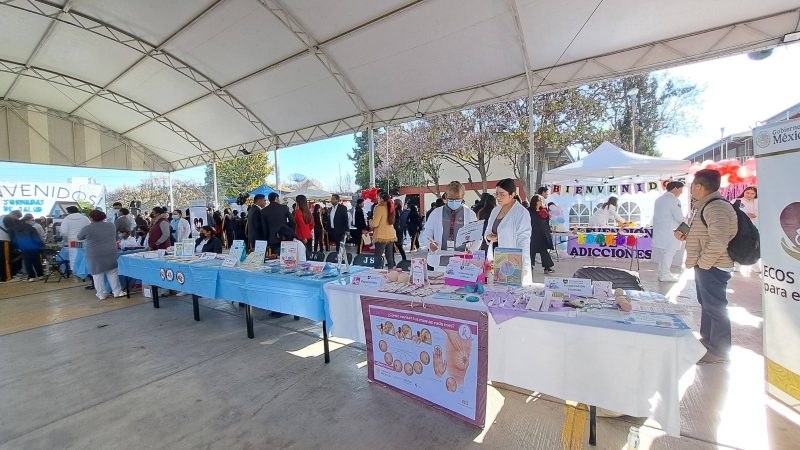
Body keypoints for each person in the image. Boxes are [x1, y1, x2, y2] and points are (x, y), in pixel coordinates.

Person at [675, 169, 737, 364]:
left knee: (716, 308)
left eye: (692, 185)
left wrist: (704, 263)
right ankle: (708, 340)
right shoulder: (705, 205)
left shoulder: (716, 207)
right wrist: (687, 235)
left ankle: (719, 351)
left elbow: (719, 240)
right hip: (707, 264)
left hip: (713, 265)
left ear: (699, 187)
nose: (691, 189)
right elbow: (705, 233)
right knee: (708, 305)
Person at [422, 181, 480, 268]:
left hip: (462, 260)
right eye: (451, 199)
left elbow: (477, 237)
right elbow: (427, 233)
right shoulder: (436, 213)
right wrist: (430, 243)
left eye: (457, 199)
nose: (454, 201)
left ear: (462, 197)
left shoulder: (470, 214)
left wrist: (471, 251)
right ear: (446, 196)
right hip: (440, 260)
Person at [484, 179, 532, 284]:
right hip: (495, 257)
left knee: (511, 287)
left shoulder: (521, 212)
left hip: (513, 259)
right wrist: (488, 236)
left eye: (502, 194)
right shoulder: (495, 210)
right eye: (496, 194)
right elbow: (488, 230)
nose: (498, 197)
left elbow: (524, 240)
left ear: (512, 194)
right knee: (495, 287)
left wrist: (523, 265)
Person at [78, 210, 124, 299]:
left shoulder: (87, 228)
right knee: (112, 272)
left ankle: (102, 294)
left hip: (94, 254)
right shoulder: (111, 225)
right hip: (110, 252)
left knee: (97, 275)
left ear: (91, 218)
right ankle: (117, 292)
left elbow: (79, 237)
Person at [653, 181, 685, 282]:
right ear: (675, 188)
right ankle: (665, 274)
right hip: (670, 231)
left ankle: (662, 273)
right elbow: (679, 217)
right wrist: (687, 224)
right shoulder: (674, 200)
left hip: (660, 231)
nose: (681, 192)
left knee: (663, 253)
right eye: (680, 190)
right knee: (669, 253)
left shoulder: (659, 199)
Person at [58, 206, 90, 272]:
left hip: (73, 241)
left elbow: (64, 232)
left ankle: (75, 271)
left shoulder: (66, 219)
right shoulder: (85, 218)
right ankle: (85, 271)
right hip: (84, 240)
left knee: (74, 255)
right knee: (84, 256)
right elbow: (90, 228)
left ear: (68, 212)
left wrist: (66, 240)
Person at [370, 192, 397, 269]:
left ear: (381, 198)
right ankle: (391, 273)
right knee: (390, 257)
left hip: (381, 235)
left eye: (378, 197)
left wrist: (370, 221)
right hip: (391, 234)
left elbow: (375, 223)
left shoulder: (379, 208)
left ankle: (377, 273)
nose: (377, 199)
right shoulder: (390, 206)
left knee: (378, 258)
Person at [529, 195, 555, 274]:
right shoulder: (529, 211)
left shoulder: (543, 211)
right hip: (533, 234)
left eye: (541, 200)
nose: (541, 202)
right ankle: (529, 265)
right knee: (531, 251)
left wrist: (548, 230)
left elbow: (546, 222)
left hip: (542, 234)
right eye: (539, 200)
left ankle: (547, 267)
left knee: (543, 250)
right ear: (535, 201)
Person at [16, 214, 44, 281]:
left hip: (23, 247)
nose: (32, 221)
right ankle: (40, 275)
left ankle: (31, 276)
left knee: (27, 262)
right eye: (32, 220)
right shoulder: (31, 228)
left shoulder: (17, 228)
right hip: (33, 246)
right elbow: (36, 239)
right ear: (27, 220)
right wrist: (41, 244)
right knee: (36, 261)